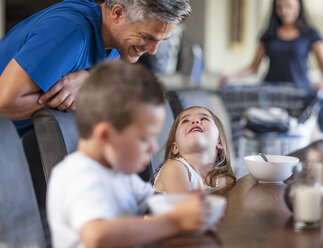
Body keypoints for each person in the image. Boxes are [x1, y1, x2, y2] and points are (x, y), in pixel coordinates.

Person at [47, 60, 210, 248]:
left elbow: (153, 199)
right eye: (144, 138)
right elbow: (97, 236)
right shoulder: (78, 175)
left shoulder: (118, 172)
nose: (154, 147)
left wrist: (185, 204)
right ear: (106, 136)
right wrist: (174, 222)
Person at [0, 0, 191, 136]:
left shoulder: (117, 44)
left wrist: (88, 81)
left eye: (161, 41)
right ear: (117, 13)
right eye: (147, 37)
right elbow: (4, 104)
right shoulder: (70, 31)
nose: (153, 50)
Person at [220, 0, 323, 133]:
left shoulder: (310, 33)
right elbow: (253, 67)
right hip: (270, 96)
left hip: (298, 96)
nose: (284, 11)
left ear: (298, 6)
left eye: (288, 7)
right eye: (279, 8)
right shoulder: (269, 35)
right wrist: (230, 76)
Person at [153, 106, 236, 193]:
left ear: (220, 142)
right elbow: (187, 205)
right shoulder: (174, 167)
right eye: (185, 121)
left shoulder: (223, 180)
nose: (195, 121)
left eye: (204, 118)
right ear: (175, 147)